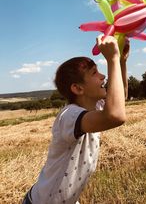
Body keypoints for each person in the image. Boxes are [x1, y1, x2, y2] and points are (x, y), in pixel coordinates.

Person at [22, 35, 130, 204]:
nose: (102, 76)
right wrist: (112, 60)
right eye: (95, 73)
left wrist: (121, 61)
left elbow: (120, 98)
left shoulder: (96, 107)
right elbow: (116, 116)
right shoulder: (69, 116)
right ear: (78, 88)